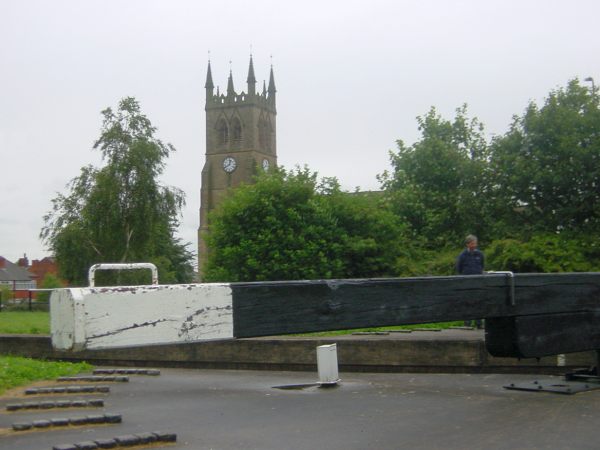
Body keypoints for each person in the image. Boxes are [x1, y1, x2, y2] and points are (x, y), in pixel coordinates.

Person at [456, 234, 484, 328]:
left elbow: (482, 265)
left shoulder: (479, 254)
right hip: (467, 282)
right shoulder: (462, 255)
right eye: (472, 243)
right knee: (468, 302)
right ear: (468, 244)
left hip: (478, 282)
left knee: (478, 302)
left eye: (475, 243)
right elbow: (459, 268)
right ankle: (467, 323)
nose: (474, 245)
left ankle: (479, 323)